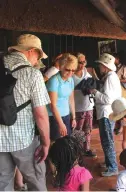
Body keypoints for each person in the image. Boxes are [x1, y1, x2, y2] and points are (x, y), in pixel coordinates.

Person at [0, 34, 50, 190]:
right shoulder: (33, 74)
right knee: (36, 179)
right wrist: (45, 142)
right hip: (23, 140)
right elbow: (41, 115)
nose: (38, 60)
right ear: (31, 51)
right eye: (39, 55)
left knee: (3, 183)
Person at [89, 53, 121, 177]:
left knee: (107, 141)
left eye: (100, 65)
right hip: (108, 113)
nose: (99, 67)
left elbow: (107, 99)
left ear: (105, 66)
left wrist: (95, 92)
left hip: (106, 113)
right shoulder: (110, 76)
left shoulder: (110, 78)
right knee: (108, 139)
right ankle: (109, 163)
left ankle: (112, 167)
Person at [46, 53, 77, 141]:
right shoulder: (54, 80)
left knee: (67, 144)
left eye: (73, 70)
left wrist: (73, 117)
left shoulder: (70, 80)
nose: (70, 73)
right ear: (61, 67)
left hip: (66, 115)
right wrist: (60, 124)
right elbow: (53, 105)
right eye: (68, 69)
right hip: (54, 117)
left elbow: (71, 99)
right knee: (56, 145)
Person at [73, 53, 96, 158]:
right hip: (77, 108)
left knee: (88, 129)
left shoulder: (87, 74)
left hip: (89, 106)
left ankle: (86, 149)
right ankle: (76, 149)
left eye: (83, 62)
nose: (82, 65)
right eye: (79, 62)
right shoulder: (71, 75)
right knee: (77, 130)